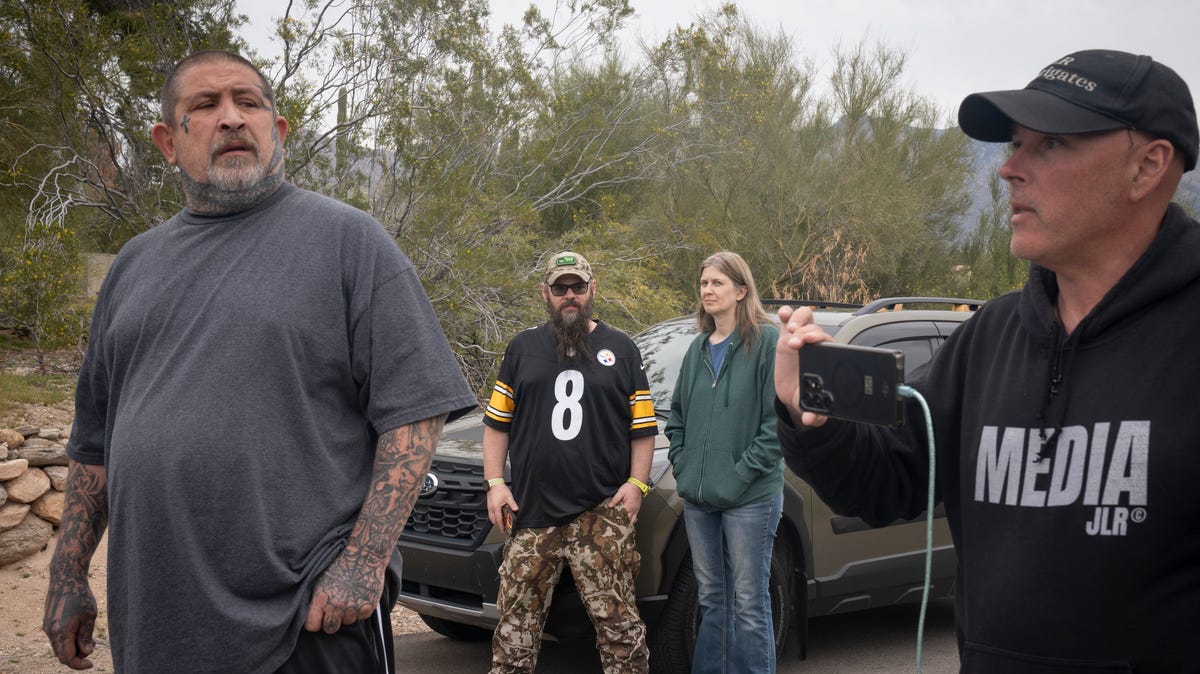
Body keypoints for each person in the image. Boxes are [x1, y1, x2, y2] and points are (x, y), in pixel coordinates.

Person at [42, 50, 477, 673]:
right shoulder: (133, 267)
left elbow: (414, 415)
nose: (231, 119)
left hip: (306, 620)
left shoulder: (349, 243)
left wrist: (363, 561)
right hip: (158, 622)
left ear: (279, 130)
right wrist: (67, 571)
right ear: (168, 141)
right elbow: (94, 445)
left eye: (249, 103)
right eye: (206, 105)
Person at [774, 49, 1200, 672]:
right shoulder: (990, 336)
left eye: (1049, 143)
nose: (1008, 169)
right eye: (1016, 144)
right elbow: (889, 484)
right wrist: (813, 414)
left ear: (1147, 167)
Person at [483, 251, 656, 674]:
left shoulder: (622, 348)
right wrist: (494, 483)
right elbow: (496, 425)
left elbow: (644, 428)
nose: (570, 296)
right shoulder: (522, 348)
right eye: (560, 288)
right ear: (545, 293)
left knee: (620, 633)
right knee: (513, 635)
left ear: (592, 290)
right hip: (532, 513)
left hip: (601, 513)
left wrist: (638, 484)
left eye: (577, 287)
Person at [665, 251, 783, 673]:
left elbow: (777, 425)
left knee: (749, 604)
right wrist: (681, 464)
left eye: (717, 282)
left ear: (741, 290)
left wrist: (738, 474)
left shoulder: (768, 341)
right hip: (699, 499)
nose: (708, 290)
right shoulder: (697, 347)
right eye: (703, 283)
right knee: (712, 600)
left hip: (751, 497)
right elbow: (676, 417)